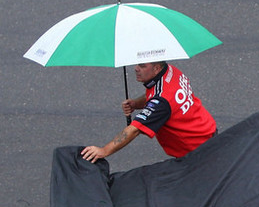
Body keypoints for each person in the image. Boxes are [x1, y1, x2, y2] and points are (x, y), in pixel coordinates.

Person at [81, 61, 217, 163]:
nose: (136, 68)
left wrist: (104, 151)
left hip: (196, 152)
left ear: (156, 68)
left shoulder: (162, 101)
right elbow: (153, 96)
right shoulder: (171, 71)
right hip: (207, 130)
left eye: (142, 66)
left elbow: (134, 129)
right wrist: (135, 103)